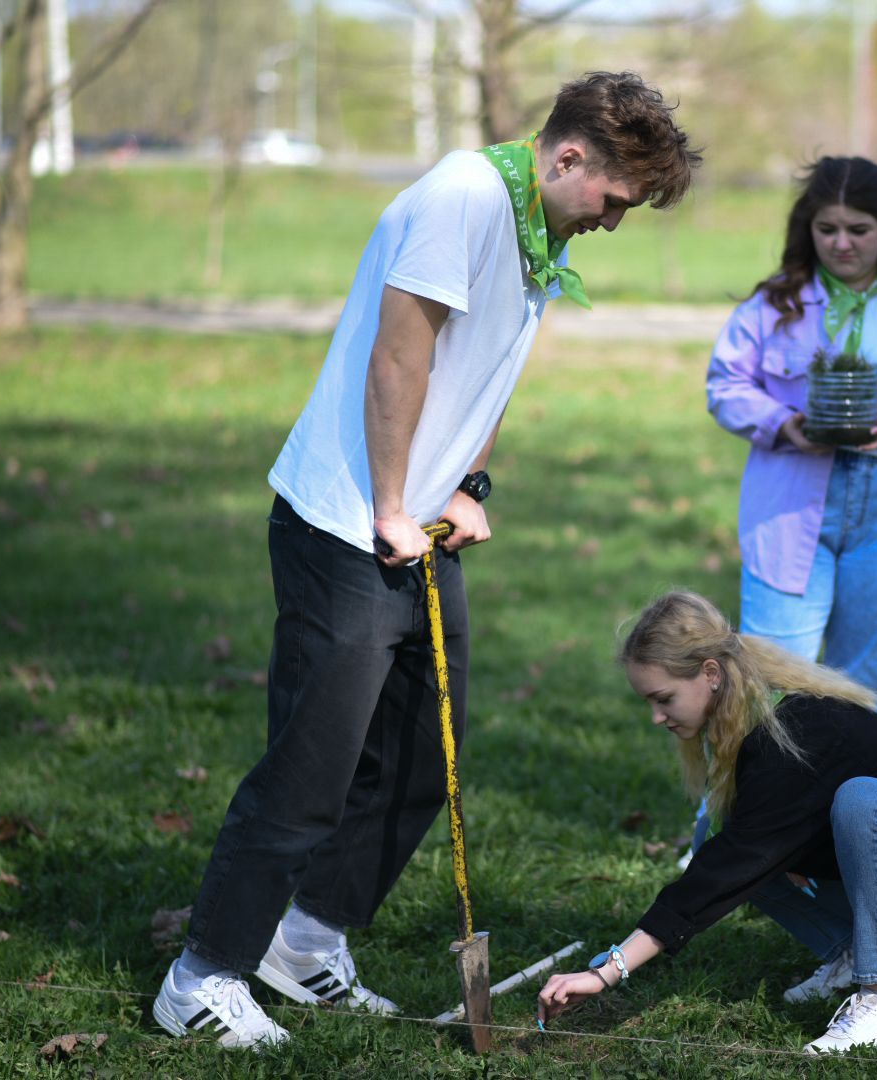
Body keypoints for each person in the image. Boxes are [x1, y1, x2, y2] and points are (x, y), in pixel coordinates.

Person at [151, 72, 700, 1049]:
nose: (615, 221)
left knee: (418, 759)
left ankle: (305, 941)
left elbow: (485, 373)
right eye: (616, 199)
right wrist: (394, 506)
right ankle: (203, 977)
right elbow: (399, 358)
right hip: (347, 522)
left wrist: (465, 488)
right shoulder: (464, 197)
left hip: (415, 524)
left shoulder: (538, 228)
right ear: (569, 157)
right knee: (312, 770)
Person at [536, 592, 877, 1056]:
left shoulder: (798, 729)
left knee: (861, 801)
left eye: (663, 699)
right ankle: (858, 953)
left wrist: (608, 970)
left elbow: (731, 864)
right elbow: (737, 852)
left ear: (710, 673)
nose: (656, 717)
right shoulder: (746, 719)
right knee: (718, 834)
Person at [705, 156, 877, 719]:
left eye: (858, 229)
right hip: (789, 511)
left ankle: (858, 781)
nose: (841, 244)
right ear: (806, 228)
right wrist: (784, 424)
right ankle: (749, 782)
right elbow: (725, 386)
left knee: (863, 687)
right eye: (826, 229)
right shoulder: (774, 303)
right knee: (767, 679)